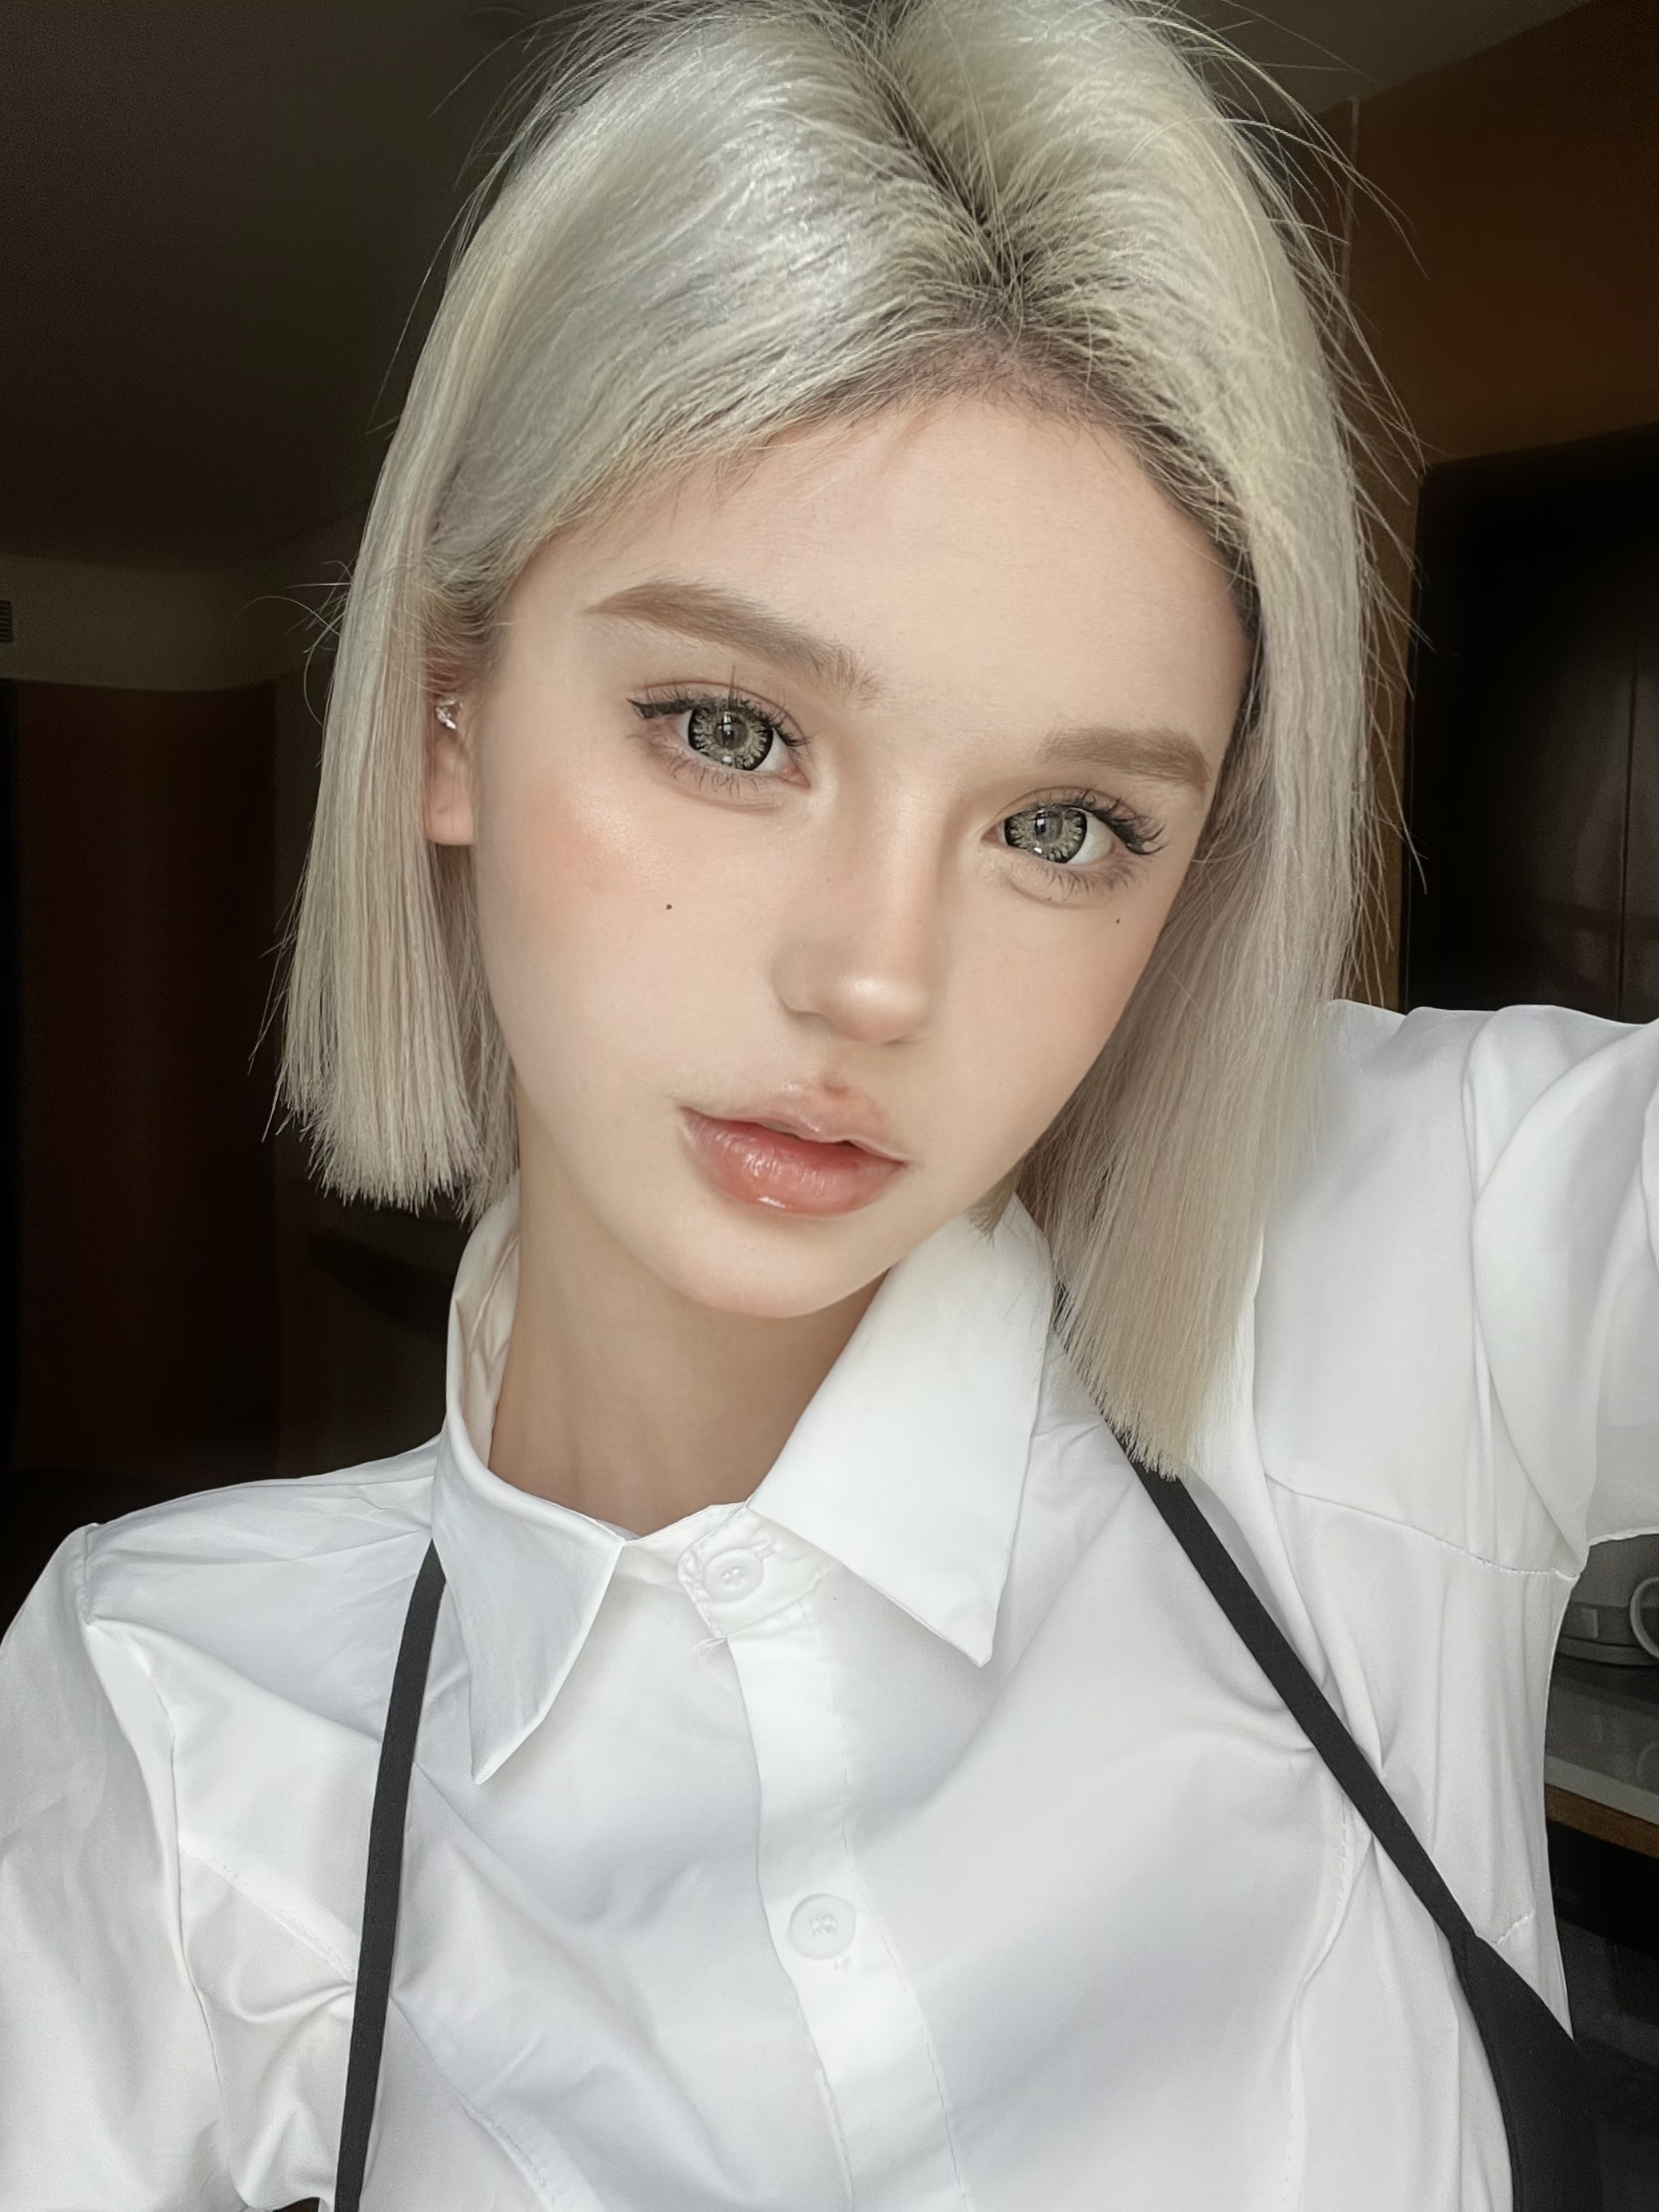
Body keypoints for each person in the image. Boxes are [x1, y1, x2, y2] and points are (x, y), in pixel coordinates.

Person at [2, 0, 1654, 2204]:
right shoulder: (177, 1713)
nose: (874, 978)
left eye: (1061, 828)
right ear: (445, 712)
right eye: (731, 728)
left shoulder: (1396, 1254)